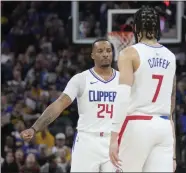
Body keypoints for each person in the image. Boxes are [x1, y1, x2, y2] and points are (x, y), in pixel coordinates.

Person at [20, 39, 119, 172]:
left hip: (113, 140)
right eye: (100, 51)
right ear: (92, 55)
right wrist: (34, 128)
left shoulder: (123, 80)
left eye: (108, 51)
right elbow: (59, 104)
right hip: (87, 141)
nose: (105, 54)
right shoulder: (81, 79)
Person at [109, 5, 177, 172]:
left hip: (138, 124)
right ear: (157, 28)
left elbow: (123, 96)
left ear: (136, 28)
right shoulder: (171, 56)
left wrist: (113, 137)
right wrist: (173, 153)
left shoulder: (129, 53)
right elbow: (172, 107)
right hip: (164, 127)